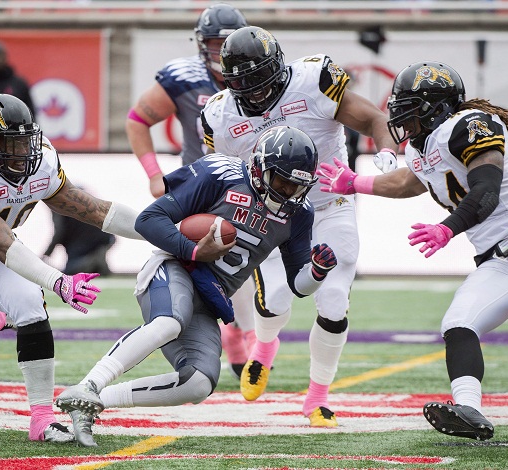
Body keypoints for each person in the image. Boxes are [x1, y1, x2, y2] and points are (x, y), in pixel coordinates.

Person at [317, 61, 508, 441]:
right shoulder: (423, 149)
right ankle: (469, 409)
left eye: (408, 106)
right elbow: (411, 181)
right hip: (497, 259)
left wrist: (446, 228)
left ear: (434, 105)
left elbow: (486, 189)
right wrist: (357, 182)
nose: (400, 117)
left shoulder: (470, 124)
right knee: (458, 323)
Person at [55, 126, 338, 447]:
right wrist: (191, 250)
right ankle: (90, 383)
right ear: (260, 168)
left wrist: (317, 271)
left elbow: (298, 285)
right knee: (169, 321)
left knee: (200, 383)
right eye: (282, 181)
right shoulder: (222, 175)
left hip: (208, 294)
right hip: (174, 266)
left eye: (297, 185)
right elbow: (150, 219)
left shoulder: (300, 213)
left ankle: (95, 402)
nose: (288, 192)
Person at [200, 26, 398, 428]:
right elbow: (219, 175)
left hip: (328, 204)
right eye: (244, 84)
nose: (255, 92)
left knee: (335, 298)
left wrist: (388, 151)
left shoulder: (313, 82)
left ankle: (317, 398)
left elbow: (375, 118)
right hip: (272, 213)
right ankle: (265, 348)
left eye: (261, 80)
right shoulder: (219, 115)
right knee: (275, 298)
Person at [0, 93, 144, 443]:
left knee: (28, 302)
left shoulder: (41, 162)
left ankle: (41, 419)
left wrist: (163, 233)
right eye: (11, 143)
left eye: (26, 141)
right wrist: (59, 281)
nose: (23, 152)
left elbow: (95, 210)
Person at [125, 3, 253, 377]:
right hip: (202, 187)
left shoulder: (263, 74)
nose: (221, 52)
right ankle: (229, 332)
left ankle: (251, 336)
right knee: (206, 259)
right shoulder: (184, 77)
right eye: (214, 44)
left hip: (250, 184)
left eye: (228, 43)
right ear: (202, 44)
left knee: (252, 264)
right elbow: (137, 120)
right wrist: (153, 173)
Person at [42, 209, 116, 276]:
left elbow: (60, 232)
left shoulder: (56, 203)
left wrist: (47, 254)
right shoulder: (79, 196)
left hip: (84, 241)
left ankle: (93, 261)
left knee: (69, 271)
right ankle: (96, 263)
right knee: (73, 265)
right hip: (104, 235)